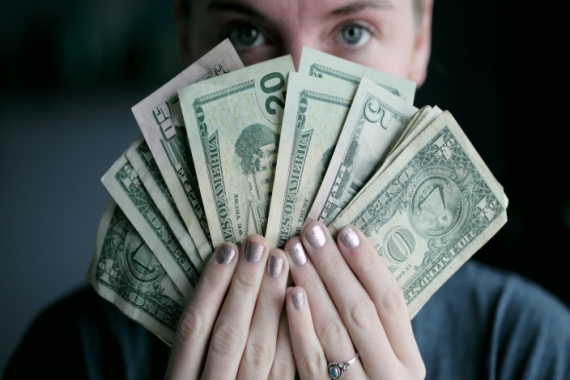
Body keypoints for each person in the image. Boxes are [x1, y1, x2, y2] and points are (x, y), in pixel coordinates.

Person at [4, 0, 570, 379]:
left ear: (420, 42)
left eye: (353, 31)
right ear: (184, 38)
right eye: (244, 32)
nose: (298, 81)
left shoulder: (531, 348)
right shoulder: (72, 355)